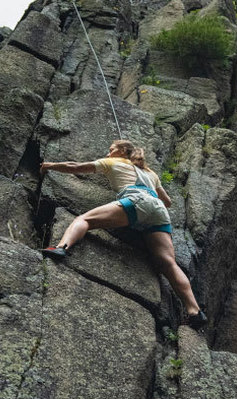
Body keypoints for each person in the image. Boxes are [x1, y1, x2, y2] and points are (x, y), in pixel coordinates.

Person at [40, 139, 207, 329]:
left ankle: (61, 247)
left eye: (111, 150)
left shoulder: (112, 162)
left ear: (121, 152)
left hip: (135, 200)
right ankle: (194, 310)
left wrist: (50, 166)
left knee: (84, 220)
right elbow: (167, 201)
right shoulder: (150, 173)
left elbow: (76, 167)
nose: (108, 153)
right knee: (168, 262)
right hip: (159, 210)